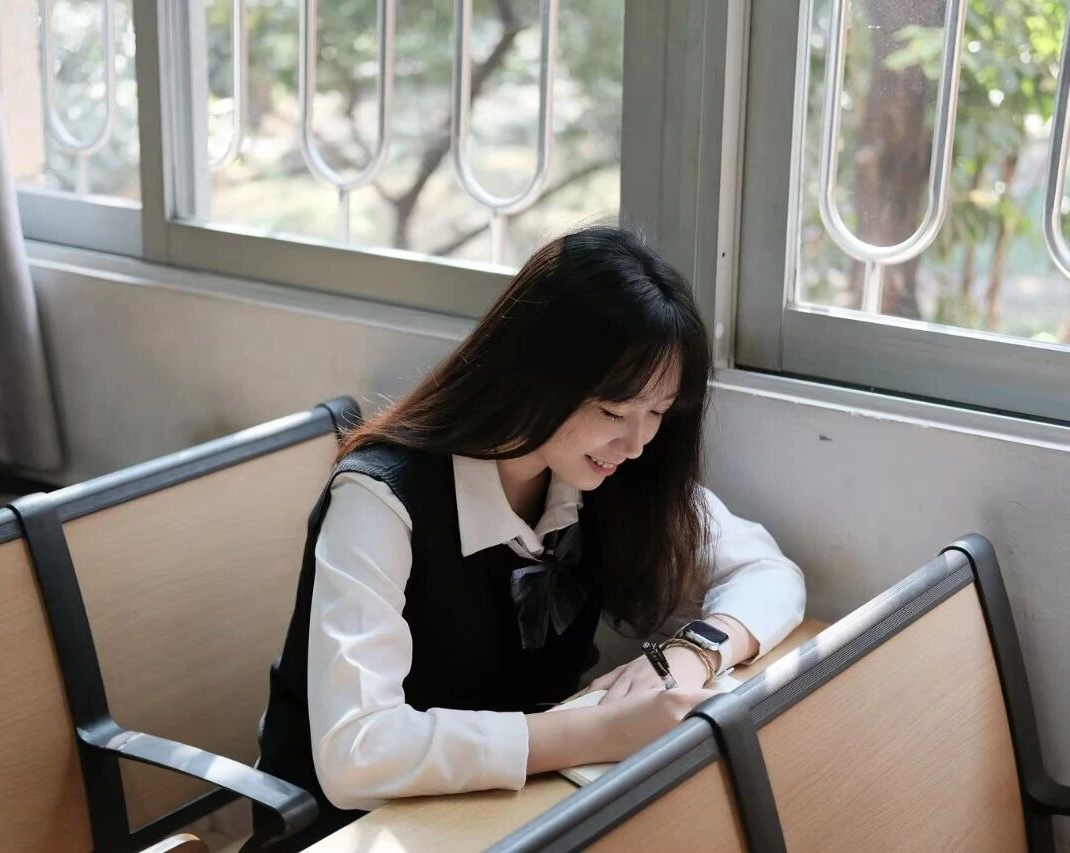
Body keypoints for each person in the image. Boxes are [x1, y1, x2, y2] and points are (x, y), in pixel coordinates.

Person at [256, 225, 805, 848]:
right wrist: (599, 734)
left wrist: (691, 653)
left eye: (657, 413)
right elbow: (356, 753)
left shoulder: (601, 473)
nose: (637, 443)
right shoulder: (380, 499)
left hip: (518, 811)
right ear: (536, 374)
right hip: (363, 832)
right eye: (614, 411)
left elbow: (768, 572)